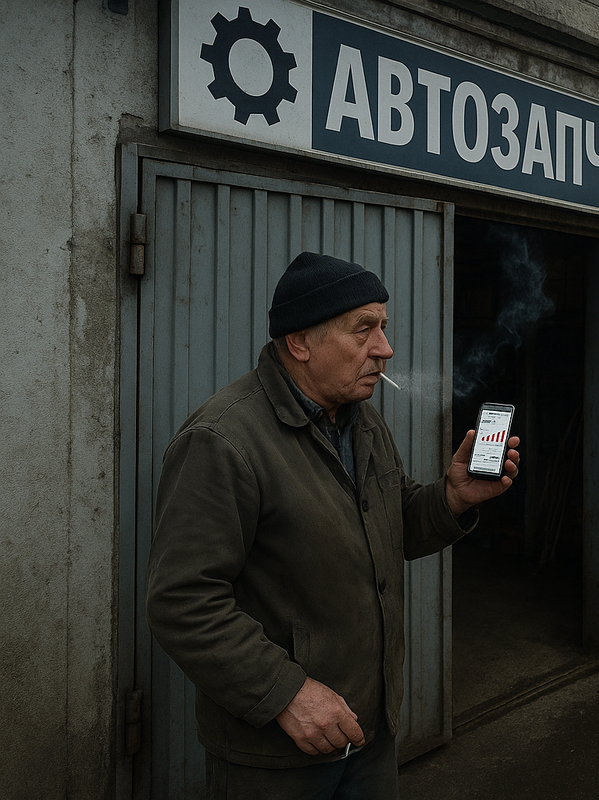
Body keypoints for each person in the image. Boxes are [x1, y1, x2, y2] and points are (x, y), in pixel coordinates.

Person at [146, 252, 520, 798]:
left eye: (383, 328)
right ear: (301, 342)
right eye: (363, 329)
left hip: (368, 729)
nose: (385, 349)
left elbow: (388, 526)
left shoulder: (360, 420)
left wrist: (452, 499)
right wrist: (287, 694)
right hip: (278, 753)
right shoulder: (222, 441)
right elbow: (181, 600)